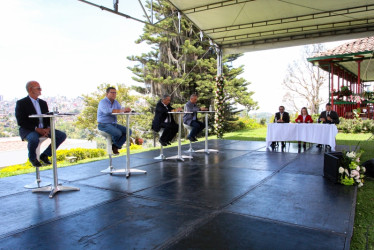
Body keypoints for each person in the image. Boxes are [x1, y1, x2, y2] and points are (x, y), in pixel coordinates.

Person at [15, 81, 67, 167]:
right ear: (30, 89)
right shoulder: (21, 103)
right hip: (29, 130)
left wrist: (47, 128)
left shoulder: (43, 103)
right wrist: (37, 129)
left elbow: (46, 117)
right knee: (34, 138)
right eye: (38, 88)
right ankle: (32, 158)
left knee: (61, 135)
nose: (41, 90)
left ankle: (45, 155)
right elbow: (21, 121)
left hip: (44, 129)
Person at [97, 87, 131, 155]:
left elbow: (120, 110)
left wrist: (126, 110)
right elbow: (107, 111)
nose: (114, 94)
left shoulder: (116, 102)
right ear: (107, 94)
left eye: (115, 92)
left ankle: (115, 146)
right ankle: (115, 145)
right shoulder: (103, 102)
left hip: (113, 124)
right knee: (118, 133)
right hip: (103, 124)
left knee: (128, 131)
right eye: (112, 92)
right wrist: (121, 110)